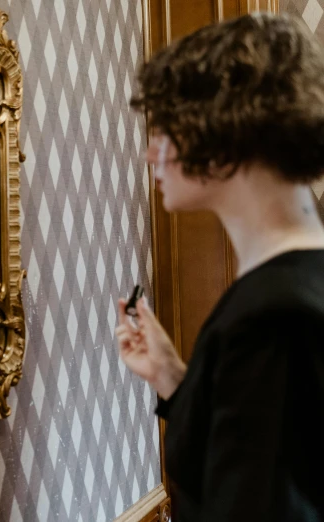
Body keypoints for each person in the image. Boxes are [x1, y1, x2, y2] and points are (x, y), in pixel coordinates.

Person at [116, 13, 324, 521]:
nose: (149, 154)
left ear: (225, 130)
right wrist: (174, 379)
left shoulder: (270, 317)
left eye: (163, 130)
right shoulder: (297, 284)